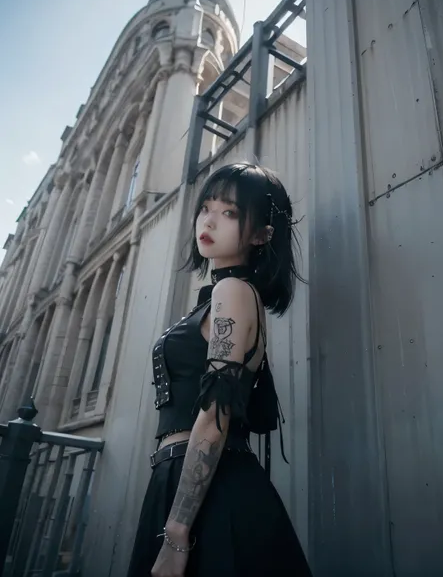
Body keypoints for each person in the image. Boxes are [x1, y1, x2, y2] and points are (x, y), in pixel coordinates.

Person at [126, 162, 312, 577]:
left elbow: (214, 416)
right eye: (206, 207)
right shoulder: (225, 296)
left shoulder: (233, 291)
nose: (208, 220)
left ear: (263, 234)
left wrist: (177, 533)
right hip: (190, 482)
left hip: (209, 491)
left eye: (229, 212)